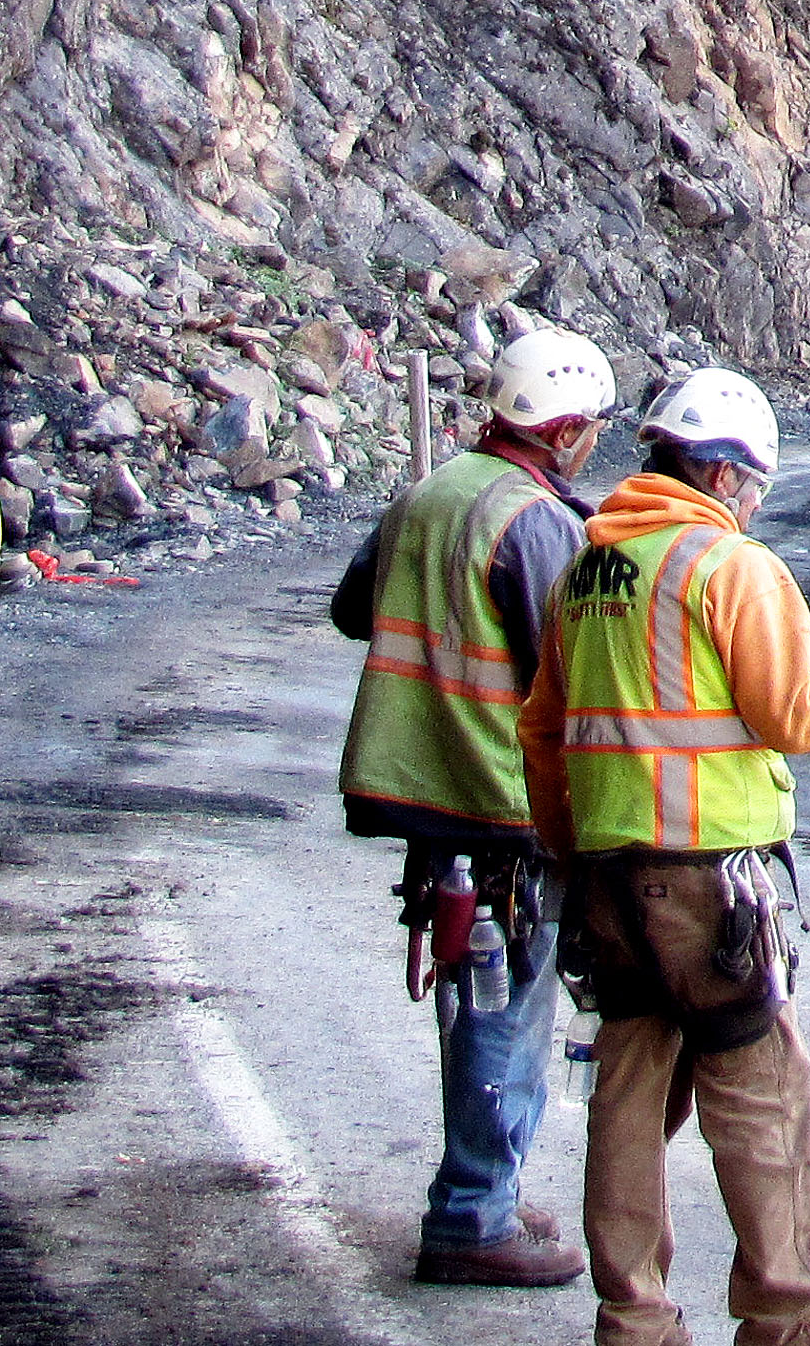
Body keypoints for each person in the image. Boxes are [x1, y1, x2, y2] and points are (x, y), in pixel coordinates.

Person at [524, 366, 810, 1346]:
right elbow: (789, 714)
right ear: (732, 476)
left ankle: (635, 1320)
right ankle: (787, 1317)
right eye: (755, 489)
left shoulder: (586, 570)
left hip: (610, 877)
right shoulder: (730, 569)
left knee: (628, 1087)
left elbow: (542, 731)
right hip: (709, 884)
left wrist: (574, 854)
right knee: (761, 1090)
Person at [331, 324, 619, 1286]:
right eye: (593, 430)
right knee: (509, 1006)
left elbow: (351, 609)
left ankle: (484, 1184)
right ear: (568, 428)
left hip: (419, 792)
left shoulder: (428, 492)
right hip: (501, 801)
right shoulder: (536, 521)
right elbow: (567, 667)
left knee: (473, 996)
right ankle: (472, 1213)